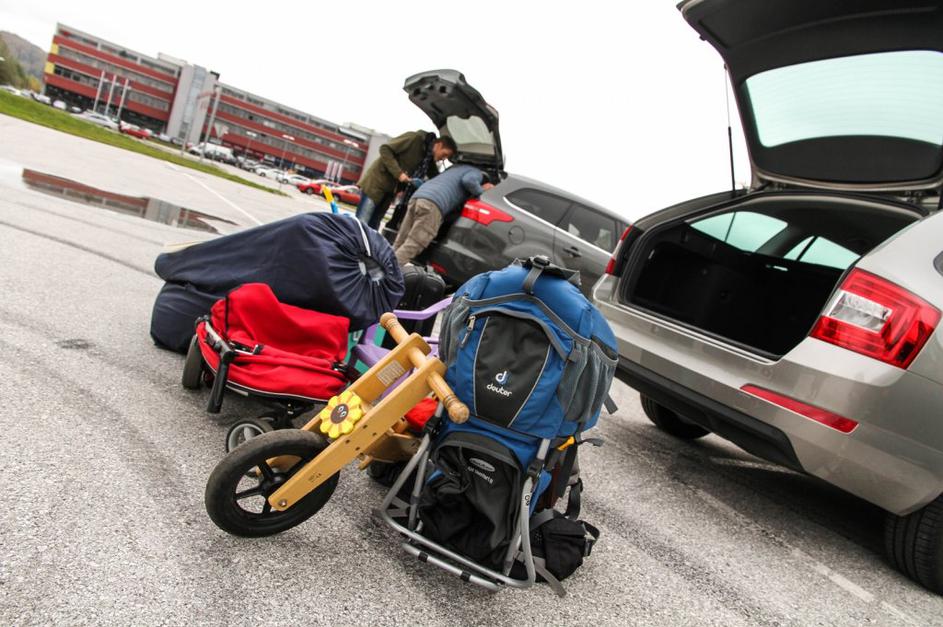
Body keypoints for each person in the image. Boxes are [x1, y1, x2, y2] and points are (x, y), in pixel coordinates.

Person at [393, 164, 494, 267]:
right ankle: (388, 271)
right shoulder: (476, 173)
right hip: (433, 204)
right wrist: (482, 191)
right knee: (414, 243)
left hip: (418, 197)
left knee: (401, 239)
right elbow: (469, 181)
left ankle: (384, 264)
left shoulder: (455, 169)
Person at [355, 131, 456, 230]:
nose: (443, 159)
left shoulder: (428, 157)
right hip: (376, 183)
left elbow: (435, 176)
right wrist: (399, 173)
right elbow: (385, 149)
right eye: (444, 154)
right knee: (361, 224)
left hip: (391, 191)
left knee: (373, 227)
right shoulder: (414, 138)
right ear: (439, 145)